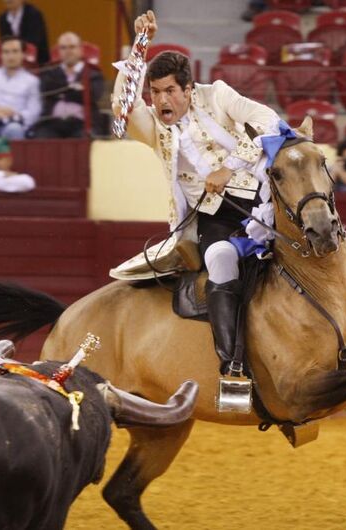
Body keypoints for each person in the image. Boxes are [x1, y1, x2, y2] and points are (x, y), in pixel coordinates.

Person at [112, 11, 280, 378]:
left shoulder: (217, 95)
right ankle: (233, 365)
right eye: (155, 92)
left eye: (170, 90)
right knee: (219, 258)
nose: (161, 100)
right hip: (212, 216)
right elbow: (120, 109)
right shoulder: (153, 127)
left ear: (189, 89)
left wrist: (230, 166)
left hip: (261, 199)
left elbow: (269, 121)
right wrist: (140, 45)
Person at [30, 32, 105, 138]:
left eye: (72, 47)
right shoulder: (49, 72)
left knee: (84, 138)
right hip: (52, 123)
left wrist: (60, 92)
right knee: (41, 136)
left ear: (80, 49)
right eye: (63, 48)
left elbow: (93, 95)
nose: (68, 51)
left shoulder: (93, 73)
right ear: (59, 51)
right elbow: (46, 90)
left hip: (81, 124)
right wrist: (75, 89)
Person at [0, 0, 49, 66]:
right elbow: (5, 43)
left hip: (37, 63)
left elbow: (33, 42)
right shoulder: (2, 19)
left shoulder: (34, 14)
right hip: (13, 63)